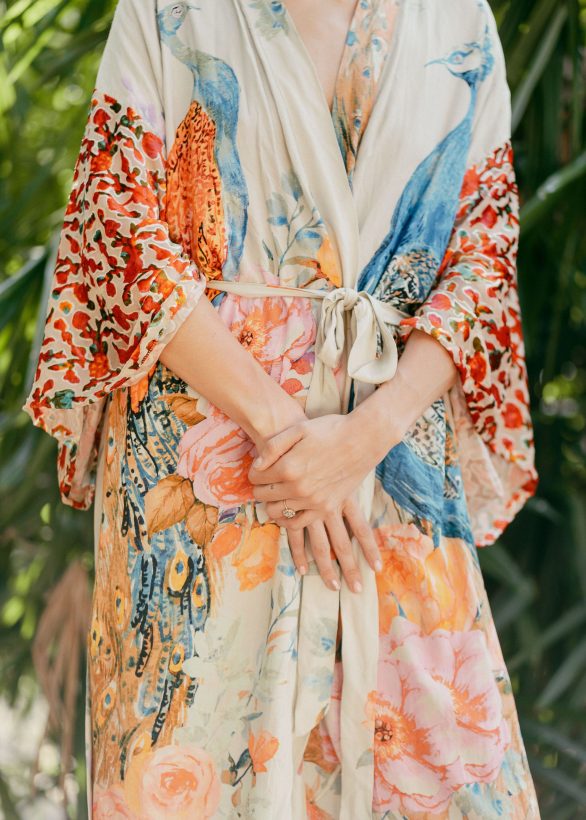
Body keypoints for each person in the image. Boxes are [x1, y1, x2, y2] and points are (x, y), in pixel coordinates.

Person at [24, 0, 541, 816]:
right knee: (199, 770)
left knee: (450, 773)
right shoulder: (165, 8)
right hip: (208, 469)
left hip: (391, 460)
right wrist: (284, 430)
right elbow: (117, 225)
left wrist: (366, 436)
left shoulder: (459, 19)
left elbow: (483, 251)